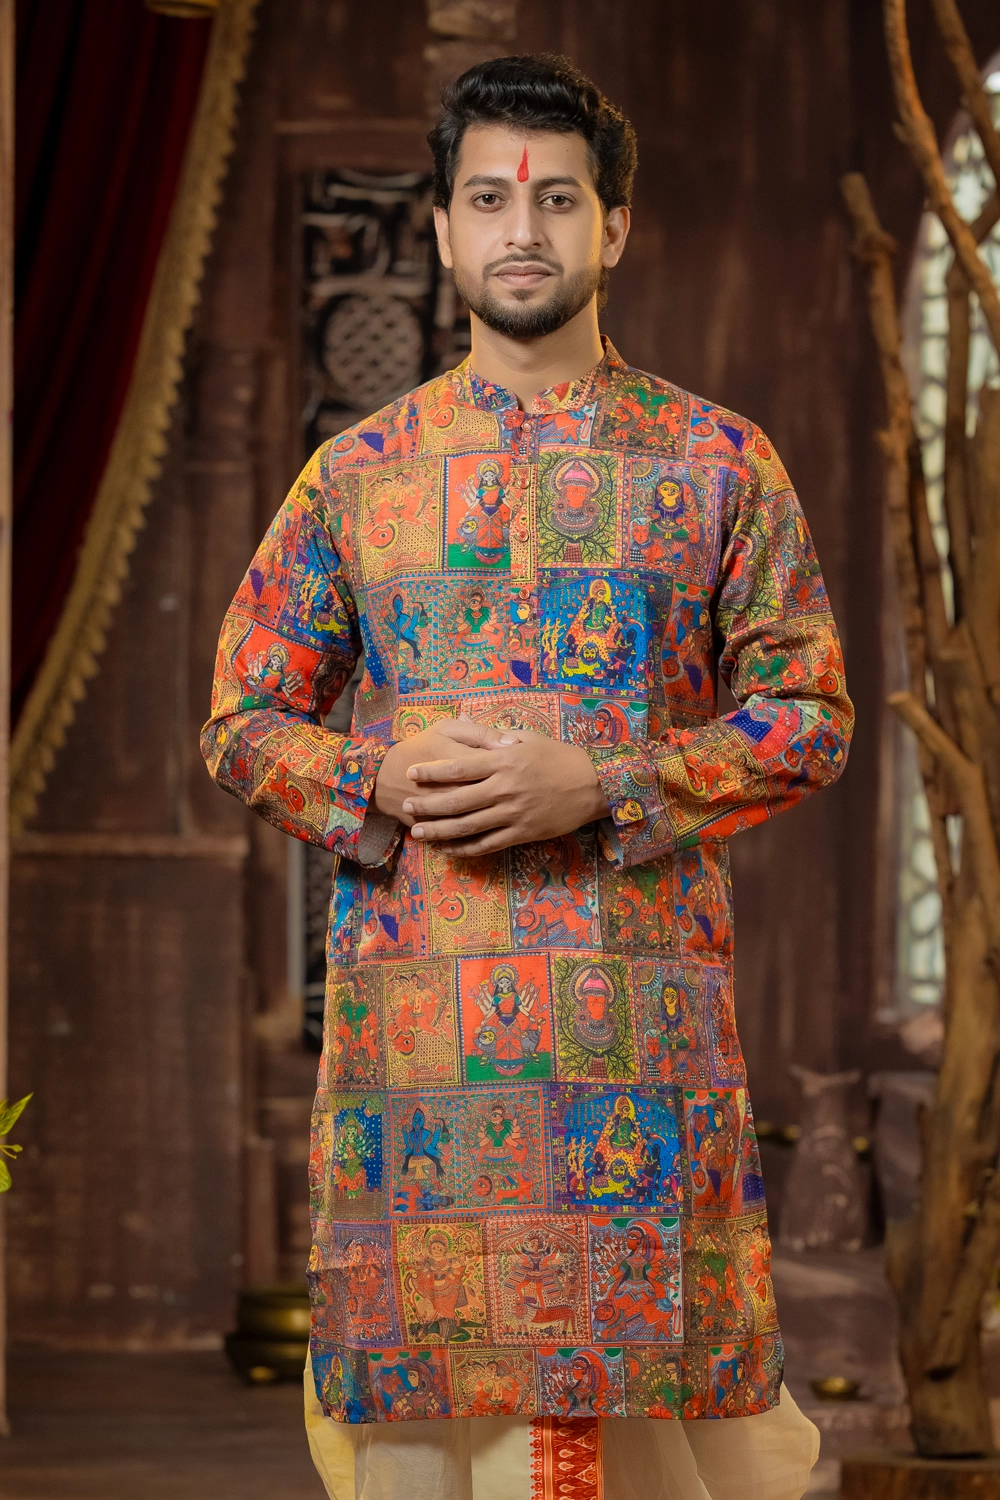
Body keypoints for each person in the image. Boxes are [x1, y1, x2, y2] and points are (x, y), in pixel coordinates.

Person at [203, 51, 851, 1500]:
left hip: (638, 1044)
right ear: (441, 227)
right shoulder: (357, 474)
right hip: (425, 1059)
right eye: (490, 200)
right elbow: (243, 719)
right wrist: (380, 779)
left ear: (614, 225)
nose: (523, 229)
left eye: (558, 199)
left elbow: (810, 714)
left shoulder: (717, 462)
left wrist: (608, 787)